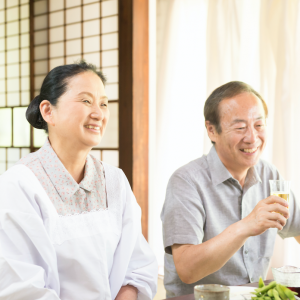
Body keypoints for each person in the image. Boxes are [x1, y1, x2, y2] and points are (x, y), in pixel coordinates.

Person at [0, 61, 157, 300]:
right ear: (48, 111)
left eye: (103, 103)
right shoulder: (19, 186)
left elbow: (137, 265)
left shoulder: (114, 180)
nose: (98, 113)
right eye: (86, 101)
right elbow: (21, 288)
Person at [161, 81, 300, 297]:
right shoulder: (186, 181)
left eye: (259, 125)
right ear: (211, 130)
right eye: (240, 127)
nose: (253, 138)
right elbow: (187, 270)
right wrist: (247, 225)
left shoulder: (269, 175)